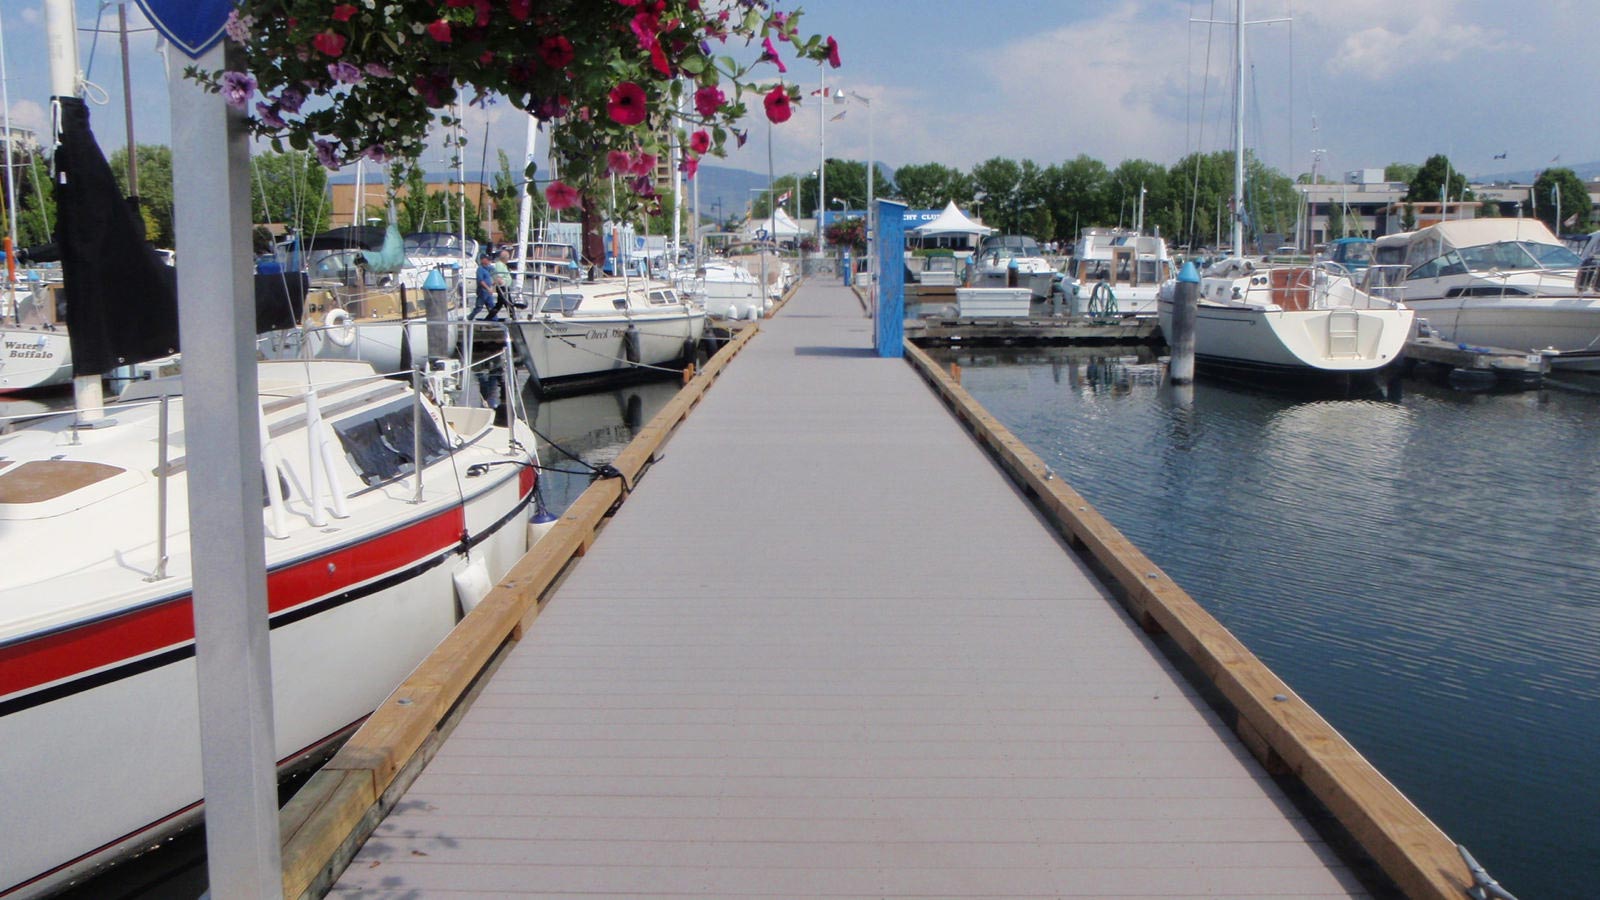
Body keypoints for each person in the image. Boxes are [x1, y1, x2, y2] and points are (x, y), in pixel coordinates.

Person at [471, 250, 497, 320]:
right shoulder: (480, 269)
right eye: (487, 259)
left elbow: (494, 274)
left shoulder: (488, 268)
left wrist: (493, 284)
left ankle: (495, 321)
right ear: (482, 260)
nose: (489, 261)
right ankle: (469, 318)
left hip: (488, 292)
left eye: (489, 260)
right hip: (482, 291)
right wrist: (488, 288)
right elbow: (481, 281)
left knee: (491, 307)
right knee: (479, 307)